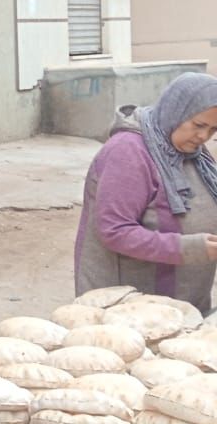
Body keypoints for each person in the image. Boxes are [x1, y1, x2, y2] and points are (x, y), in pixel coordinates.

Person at [75, 72, 217, 313]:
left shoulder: (195, 153)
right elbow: (115, 231)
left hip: (184, 303)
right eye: (198, 125)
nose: (204, 137)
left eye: (213, 129)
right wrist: (190, 248)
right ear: (176, 111)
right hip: (130, 308)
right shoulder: (128, 152)